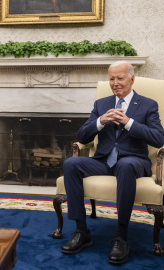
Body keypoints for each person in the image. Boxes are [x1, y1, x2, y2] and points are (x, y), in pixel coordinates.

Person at [61, 61, 164, 264]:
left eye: (120, 78)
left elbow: (159, 138)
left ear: (131, 79)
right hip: (104, 162)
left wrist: (128, 123)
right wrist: (101, 121)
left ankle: (121, 236)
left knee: (125, 166)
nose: (115, 83)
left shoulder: (147, 104)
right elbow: (82, 135)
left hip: (134, 162)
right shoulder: (102, 104)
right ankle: (82, 231)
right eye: (111, 79)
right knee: (70, 164)